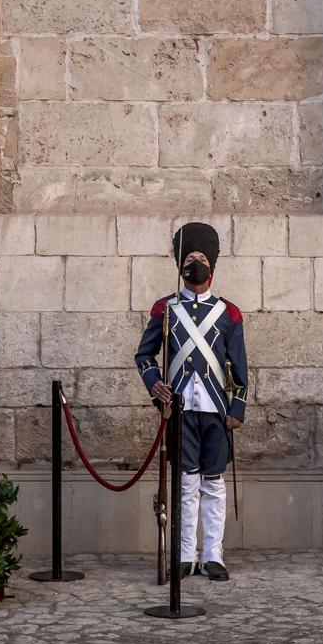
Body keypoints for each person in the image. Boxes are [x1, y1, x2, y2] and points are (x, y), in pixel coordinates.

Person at [134, 221, 248, 581]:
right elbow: (144, 356)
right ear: (180, 266)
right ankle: (186, 555)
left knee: (213, 484)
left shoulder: (228, 313)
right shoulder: (164, 309)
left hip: (215, 410)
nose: (195, 262)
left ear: (211, 266)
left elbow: (240, 363)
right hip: (180, 410)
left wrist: (237, 407)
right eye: (189, 257)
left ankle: (214, 554)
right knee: (185, 485)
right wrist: (154, 385)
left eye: (201, 257)